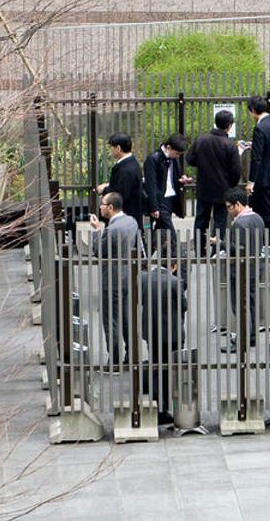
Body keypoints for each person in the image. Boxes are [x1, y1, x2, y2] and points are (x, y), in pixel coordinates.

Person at [140, 233, 187, 427]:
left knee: (155, 364)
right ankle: (167, 406)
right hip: (172, 333)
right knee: (171, 369)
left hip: (151, 330)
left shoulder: (143, 279)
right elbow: (183, 306)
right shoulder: (175, 283)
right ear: (174, 265)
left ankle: (156, 404)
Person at [89, 192, 141, 366]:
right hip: (129, 277)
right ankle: (131, 355)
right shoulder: (132, 221)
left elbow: (99, 252)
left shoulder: (111, 230)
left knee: (111, 320)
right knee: (127, 318)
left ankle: (115, 360)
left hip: (112, 280)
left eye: (103, 205)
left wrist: (96, 231)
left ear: (110, 208)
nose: (100, 207)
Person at [186, 111, 241, 255]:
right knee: (220, 221)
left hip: (204, 188)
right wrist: (231, 185)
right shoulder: (229, 145)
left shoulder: (201, 140)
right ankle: (217, 249)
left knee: (201, 219)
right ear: (229, 126)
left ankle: (199, 249)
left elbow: (189, 159)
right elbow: (236, 172)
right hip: (223, 190)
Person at [221, 187, 264, 351]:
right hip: (255, 268)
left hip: (240, 271)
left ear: (237, 204)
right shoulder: (258, 218)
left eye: (229, 207)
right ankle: (251, 336)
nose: (228, 210)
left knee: (240, 306)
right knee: (251, 304)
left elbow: (236, 248)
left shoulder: (239, 223)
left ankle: (243, 341)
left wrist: (220, 243)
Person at [245, 95, 270, 246]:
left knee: (264, 209)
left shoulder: (260, 128)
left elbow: (257, 159)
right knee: (265, 207)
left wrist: (251, 181)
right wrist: (255, 144)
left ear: (253, 110)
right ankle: (265, 241)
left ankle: (268, 242)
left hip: (261, 175)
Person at [143, 133, 190, 240]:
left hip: (171, 198)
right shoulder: (153, 159)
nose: (178, 156)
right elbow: (151, 185)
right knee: (170, 233)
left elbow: (173, 176)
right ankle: (174, 254)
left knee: (160, 232)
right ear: (168, 148)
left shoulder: (173, 158)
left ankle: (147, 253)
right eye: (177, 153)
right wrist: (154, 206)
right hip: (160, 200)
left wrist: (182, 179)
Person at [97, 133, 144, 230]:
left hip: (125, 218)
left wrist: (104, 189)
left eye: (111, 147)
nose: (110, 150)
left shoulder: (126, 169)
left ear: (118, 148)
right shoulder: (131, 163)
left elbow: (119, 194)